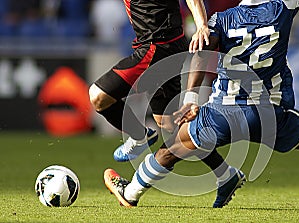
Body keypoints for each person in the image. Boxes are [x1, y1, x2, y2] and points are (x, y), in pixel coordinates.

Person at [104, 0, 299, 214]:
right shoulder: (282, 8)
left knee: (171, 149)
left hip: (222, 114)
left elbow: (200, 54)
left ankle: (130, 193)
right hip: (269, 116)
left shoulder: (221, 20)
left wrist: (191, 99)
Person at [89, 0, 211, 162]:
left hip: (155, 48)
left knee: (98, 96)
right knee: (171, 125)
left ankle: (139, 137)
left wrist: (201, 25)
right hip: (167, 46)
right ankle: (225, 173)